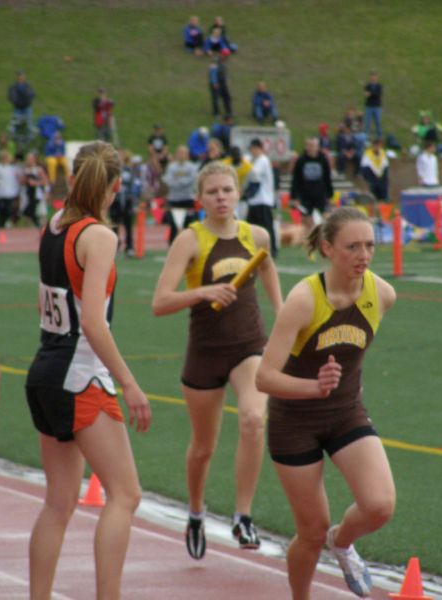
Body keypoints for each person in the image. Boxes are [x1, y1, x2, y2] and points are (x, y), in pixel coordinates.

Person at [25, 141, 151, 599]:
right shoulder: (99, 236)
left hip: (44, 370)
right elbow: (94, 323)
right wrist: (130, 384)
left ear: (72, 178)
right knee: (125, 495)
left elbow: (48, 303)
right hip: (81, 375)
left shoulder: (52, 226)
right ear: (115, 187)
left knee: (58, 502)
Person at [255, 206, 397, 600]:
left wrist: (343, 389)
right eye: (352, 246)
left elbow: (353, 354)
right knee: (311, 532)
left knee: (379, 506)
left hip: (345, 412)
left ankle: (343, 541)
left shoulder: (382, 294)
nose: (363, 255)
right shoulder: (303, 299)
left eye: (369, 245)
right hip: (294, 422)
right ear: (328, 248)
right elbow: (264, 377)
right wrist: (313, 387)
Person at [151, 161, 283, 560]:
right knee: (203, 447)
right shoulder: (189, 240)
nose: (221, 197)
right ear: (200, 198)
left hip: (249, 349)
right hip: (205, 354)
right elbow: (160, 302)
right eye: (213, 192)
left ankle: (243, 514)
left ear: (238, 193)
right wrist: (204, 291)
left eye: (227, 190)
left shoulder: (256, 235)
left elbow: (272, 279)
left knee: (253, 419)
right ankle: (195, 512)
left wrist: (285, 323)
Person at [291, 137, 334, 231]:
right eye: (309, 145)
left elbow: (327, 178)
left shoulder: (322, 159)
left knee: (327, 218)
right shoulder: (301, 160)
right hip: (305, 195)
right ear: (306, 147)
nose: (311, 148)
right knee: (307, 221)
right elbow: (295, 179)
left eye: (314, 145)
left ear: (317, 147)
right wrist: (294, 197)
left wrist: (330, 195)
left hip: (320, 194)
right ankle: (310, 242)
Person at [244, 138, 278, 257]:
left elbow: (255, 174)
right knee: (250, 227)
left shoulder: (263, 160)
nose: (251, 151)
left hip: (263, 199)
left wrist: (245, 163)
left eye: (252, 149)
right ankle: (251, 248)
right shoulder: (257, 160)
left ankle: (272, 249)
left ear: (257, 148)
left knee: (267, 226)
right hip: (255, 200)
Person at [163, 145, 200, 244]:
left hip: (187, 199)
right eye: (180, 153)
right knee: (173, 225)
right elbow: (168, 180)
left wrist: (179, 182)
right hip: (174, 199)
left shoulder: (192, 167)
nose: (181, 155)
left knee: (190, 225)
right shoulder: (171, 167)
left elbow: (192, 180)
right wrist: (181, 183)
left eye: (184, 153)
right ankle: (171, 246)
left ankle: (190, 245)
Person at [0, 150, 22, 228]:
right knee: (1, 209)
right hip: (1, 192)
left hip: (10, 192)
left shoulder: (12, 168)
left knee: (9, 209)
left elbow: (16, 179)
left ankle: (7, 222)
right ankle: (1, 223)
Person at [22, 151, 49, 228]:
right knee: (27, 207)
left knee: (36, 209)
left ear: (34, 160)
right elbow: (24, 181)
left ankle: (40, 224)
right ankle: (28, 226)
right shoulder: (26, 169)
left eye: (30, 159)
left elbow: (45, 181)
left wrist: (35, 183)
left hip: (36, 193)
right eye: (27, 159)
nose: (29, 161)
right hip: (28, 192)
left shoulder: (38, 169)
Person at [209, 50, 233, 117]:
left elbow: (225, 73)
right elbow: (213, 72)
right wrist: (215, 83)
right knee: (216, 98)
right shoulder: (215, 61)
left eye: (227, 55)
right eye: (225, 55)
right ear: (222, 54)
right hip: (216, 83)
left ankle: (229, 111)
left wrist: (227, 81)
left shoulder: (224, 62)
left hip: (223, 82)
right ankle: (216, 113)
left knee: (227, 96)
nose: (226, 57)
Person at [363, 71, 383, 139]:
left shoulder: (379, 86)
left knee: (378, 122)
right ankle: (366, 138)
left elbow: (378, 95)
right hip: (369, 106)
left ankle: (379, 138)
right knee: (367, 123)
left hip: (377, 107)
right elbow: (366, 95)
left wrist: (370, 94)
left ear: (377, 77)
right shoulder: (367, 86)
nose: (373, 78)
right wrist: (372, 94)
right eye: (372, 76)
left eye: (375, 76)